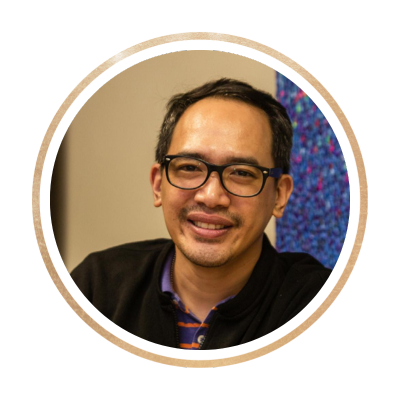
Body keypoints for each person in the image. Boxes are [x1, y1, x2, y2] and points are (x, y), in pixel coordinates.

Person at [71, 78, 331, 351]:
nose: (211, 196)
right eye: (189, 167)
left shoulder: (315, 302)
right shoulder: (98, 287)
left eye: (241, 173)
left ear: (279, 195)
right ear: (158, 185)